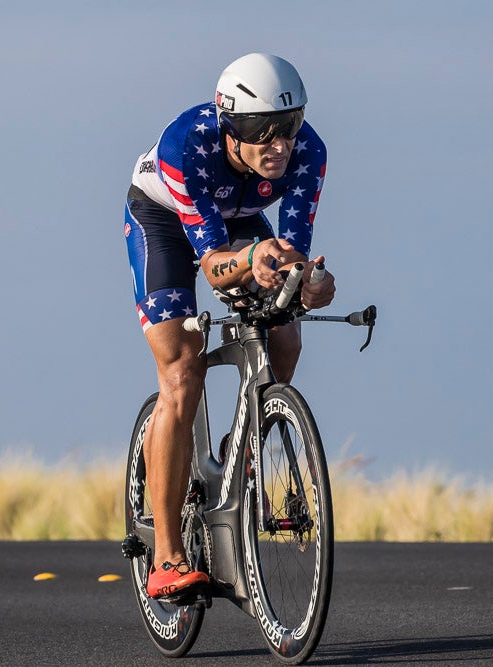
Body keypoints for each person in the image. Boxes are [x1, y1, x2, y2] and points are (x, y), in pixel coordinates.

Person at [123, 53, 336, 599]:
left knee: (284, 336)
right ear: (228, 126)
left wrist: (308, 279)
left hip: (238, 218)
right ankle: (167, 553)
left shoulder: (309, 152)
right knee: (182, 368)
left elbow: (292, 249)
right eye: (261, 131)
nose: (279, 144)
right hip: (165, 220)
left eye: (288, 127)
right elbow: (216, 269)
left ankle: (241, 451)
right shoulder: (185, 148)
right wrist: (253, 258)